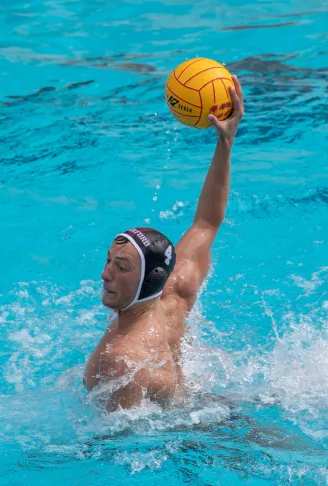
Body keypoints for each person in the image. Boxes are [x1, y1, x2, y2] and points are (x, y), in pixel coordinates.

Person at [83, 77, 245, 412]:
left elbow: (122, 444)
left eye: (121, 266)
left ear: (151, 278)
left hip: (187, 437)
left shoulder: (122, 359)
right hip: (205, 404)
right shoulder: (176, 287)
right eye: (110, 259)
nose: (104, 274)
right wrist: (224, 144)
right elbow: (207, 222)